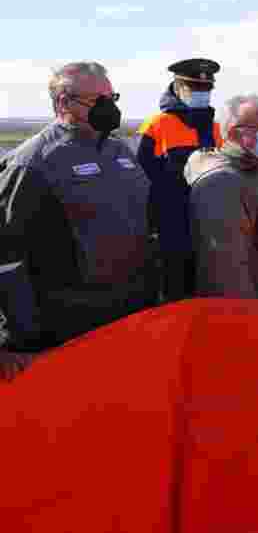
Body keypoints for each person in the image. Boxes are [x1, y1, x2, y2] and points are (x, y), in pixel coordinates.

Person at [0, 62, 156, 376]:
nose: (109, 107)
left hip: (131, 312)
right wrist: (15, 340)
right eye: (98, 101)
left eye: (112, 98)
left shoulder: (121, 152)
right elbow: (6, 258)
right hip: (68, 325)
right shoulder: (33, 163)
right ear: (63, 103)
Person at [184, 94, 258, 299]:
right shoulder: (221, 183)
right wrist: (246, 322)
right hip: (256, 315)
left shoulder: (257, 172)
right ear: (233, 133)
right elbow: (226, 272)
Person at [137, 58, 224, 303]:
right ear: (178, 87)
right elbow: (141, 181)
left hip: (211, 230)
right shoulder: (157, 126)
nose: (202, 94)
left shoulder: (217, 128)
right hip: (171, 233)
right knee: (174, 299)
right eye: (195, 88)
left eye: (206, 89)